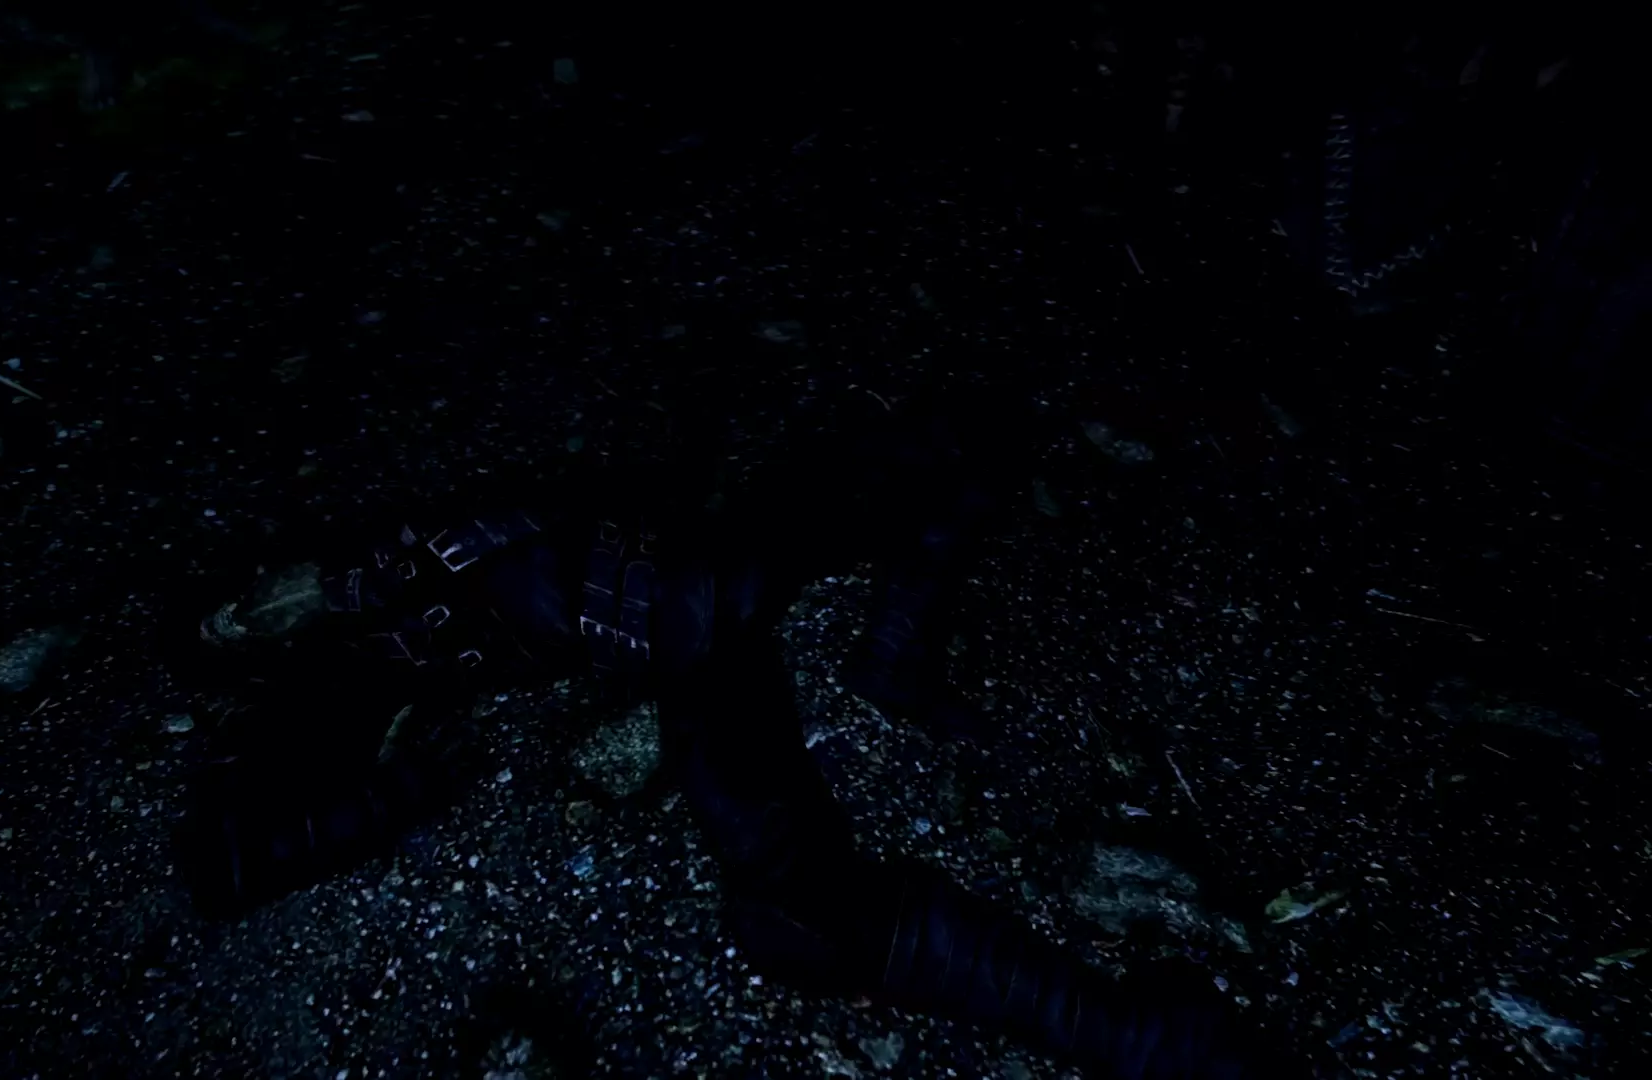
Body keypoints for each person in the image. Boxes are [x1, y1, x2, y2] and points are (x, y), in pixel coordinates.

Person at [171, 408, 1301, 1077]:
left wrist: (339, 590)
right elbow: (224, 866)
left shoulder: (368, 573)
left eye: (242, 605)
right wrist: (397, 788)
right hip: (654, 609)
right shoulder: (310, 690)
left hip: (635, 570)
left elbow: (505, 518)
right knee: (793, 900)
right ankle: (1130, 1036)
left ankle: (901, 643)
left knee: (896, 495)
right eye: (231, 624)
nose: (248, 613)